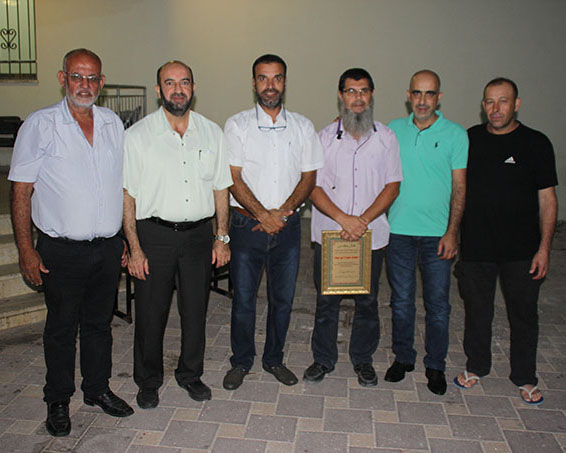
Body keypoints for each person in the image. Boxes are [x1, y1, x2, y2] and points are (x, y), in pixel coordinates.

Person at [9, 48, 133, 437]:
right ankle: (58, 400)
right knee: (61, 328)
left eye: (92, 77)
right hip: (61, 249)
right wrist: (26, 249)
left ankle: (97, 389)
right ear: (63, 78)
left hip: (107, 247)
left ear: (102, 82)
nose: (85, 84)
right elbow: (21, 191)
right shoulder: (40, 125)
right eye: (77, 76)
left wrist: (123, 237)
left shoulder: (113, 124)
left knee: (99, 325)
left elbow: (120, 185)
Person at [123, 60, 232, 407]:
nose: (178, 89)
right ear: (159, 90)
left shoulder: (212, 133)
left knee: (195, 310)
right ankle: (148, 380)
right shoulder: (138, 136)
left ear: (193, 88)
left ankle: (190, 374)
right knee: (150, 313)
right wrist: (134, 248)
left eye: (184, 82)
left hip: (199, 236)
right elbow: (128, 195)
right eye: (169, 83)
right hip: (153, 235)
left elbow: (221, 188)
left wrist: (222, 236)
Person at [454, 78, 558, 406]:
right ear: (482, 105)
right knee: (477, 312)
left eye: (503, 101)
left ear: (517, 104)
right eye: (489, 101)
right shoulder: (469, 139)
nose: (495, 108)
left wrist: (544, 248)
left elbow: (548, 200)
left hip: (522, 250)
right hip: (476, 247)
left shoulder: (536, 143)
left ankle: (525, 376)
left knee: (524, 314)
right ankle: (476, 366)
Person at [222, 54, 324, 390]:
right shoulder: (237, 125)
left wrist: (282, 213)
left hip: (288, 228)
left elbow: (309, 177)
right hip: (246, 227)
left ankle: (274, 359)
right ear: (254, 83)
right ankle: (241, 361)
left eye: (277, 78)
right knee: (244, 300)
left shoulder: (303, 126)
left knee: (283, 300)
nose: (270, 85)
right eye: (263, 78)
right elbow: (233, 177)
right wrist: (262, 215)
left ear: (285, 82)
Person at [304, 68, 402, 386]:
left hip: (371, 236)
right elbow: (314, 187)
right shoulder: (323, 138)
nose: (357, 98)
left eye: (363, 91)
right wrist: (344, 219)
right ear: (340, 95)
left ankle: (363, 359)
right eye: (351, 91)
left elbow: (392, 185)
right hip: (331, 233)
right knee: (327, 301)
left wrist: (362, 220)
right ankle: (323, 359)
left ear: (371, 95)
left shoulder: (386, 138)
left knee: (368, 301)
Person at [385, 70, 468, 395]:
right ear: (408, 96)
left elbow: (459, 187)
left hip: (438, 235)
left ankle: (435, 365)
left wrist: (452, 231)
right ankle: (403, 357)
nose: (422, 100)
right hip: (398, 232)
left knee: (438, 305)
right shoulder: (393, 130)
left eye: (429, 94)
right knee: (401, 302)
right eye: (417, 93)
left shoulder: (456, 135)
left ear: (439, 98)